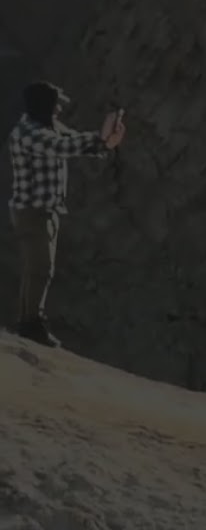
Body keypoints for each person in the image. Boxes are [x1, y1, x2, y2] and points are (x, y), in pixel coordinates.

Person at [8, 82, 126, 347]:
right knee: (40, 269)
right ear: (43, 105)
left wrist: (104, 142)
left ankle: (28, 323)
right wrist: (100, 140)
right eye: (55, 103)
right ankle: (31, 326)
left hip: (42, 210)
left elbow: (72, 139)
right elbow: (61, 147)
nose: (59, 108)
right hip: (32, 212)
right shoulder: (29, 133)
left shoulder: (45, 127)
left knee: (35, 269)